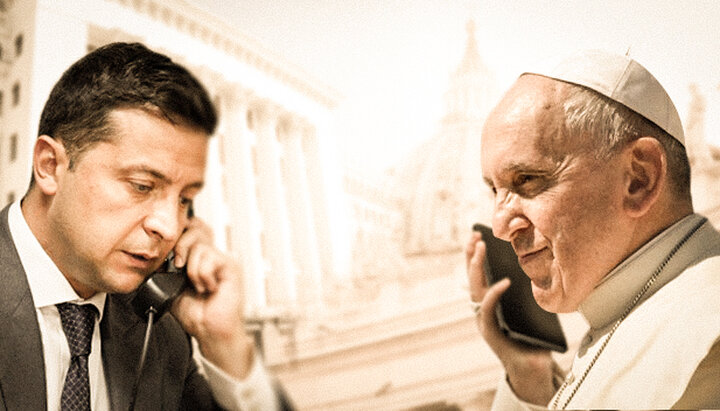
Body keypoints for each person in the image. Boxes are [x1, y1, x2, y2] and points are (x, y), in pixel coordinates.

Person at [0, 42, 292, 410]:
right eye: (142, 186)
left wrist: (224, 343)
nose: (170, 227)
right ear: (50, 166)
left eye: (184, 199)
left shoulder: (160, 331)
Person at [466, 49, 720, 410]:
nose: (501, 226)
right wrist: (530, 377)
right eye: (495, 191)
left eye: (527, 179)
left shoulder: (706, 345)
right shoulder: (626, 316)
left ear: (638, 179)